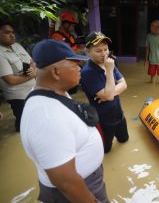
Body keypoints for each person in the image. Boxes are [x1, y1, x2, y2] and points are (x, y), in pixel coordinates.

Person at [20, 39, 109, 202]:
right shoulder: (47, 117)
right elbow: (66, 182)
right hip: (78, 190)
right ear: (55, 72)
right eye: (74, 63)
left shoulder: (53, 92)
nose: (79, 67)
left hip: (87, 181)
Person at [81, 31, 129, 153]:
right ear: (87, 51)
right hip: (104, 120)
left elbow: (124, 84)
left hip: (119, 114)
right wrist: (109, 71)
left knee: (124, 140)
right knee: (105, 150)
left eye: (106, 49)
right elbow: (109, 95)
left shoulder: (109, 63)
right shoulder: (88, 72)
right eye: (98, 51)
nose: (104, 54)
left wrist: (110, 94)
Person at [0, 19, 36, 132]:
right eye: (7, 32)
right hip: (18, 96)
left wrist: (33, 68)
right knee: (23, 125)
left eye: (13, 32)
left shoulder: (17, 46)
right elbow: (10, 80)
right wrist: (33, 75)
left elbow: (32, 61)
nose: (11, 35)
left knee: (34, 121)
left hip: (33, 89)